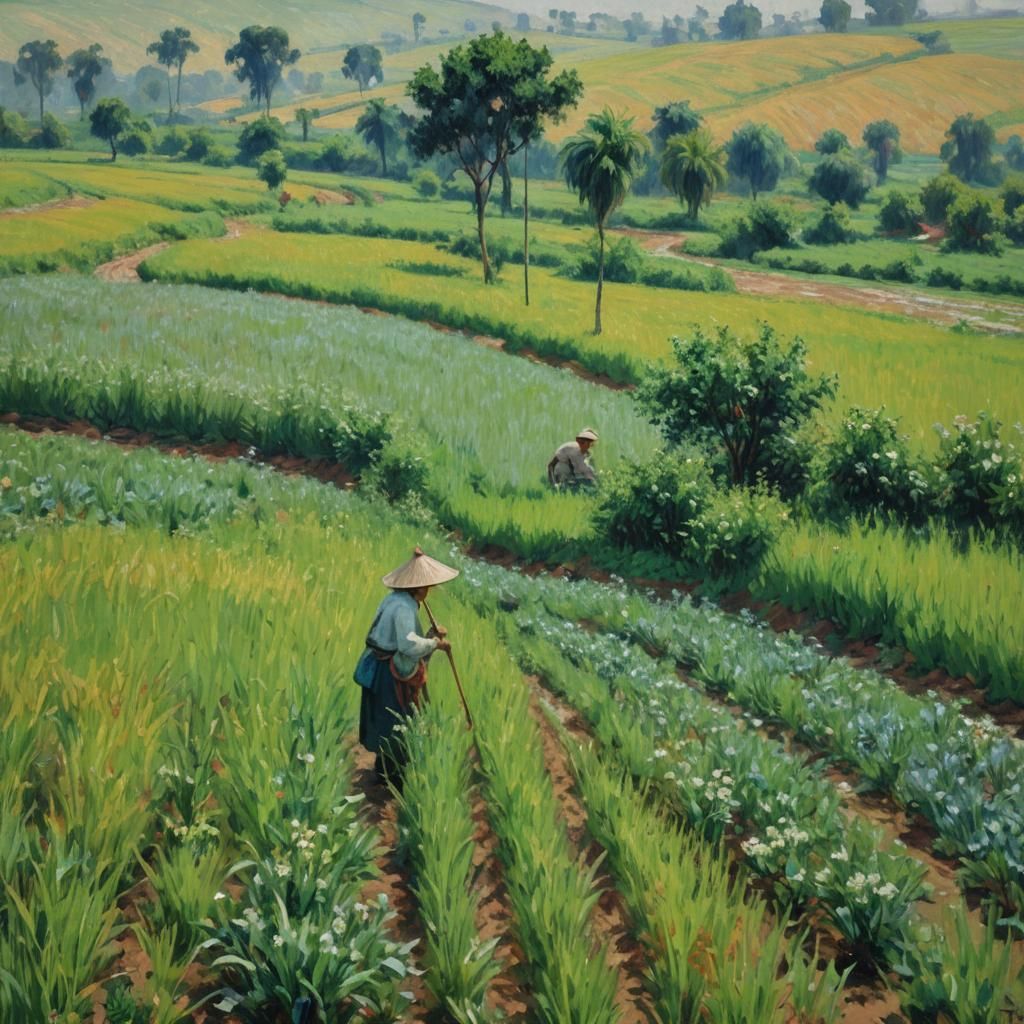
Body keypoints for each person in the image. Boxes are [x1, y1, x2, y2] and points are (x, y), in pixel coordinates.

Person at [357, 547, 459, 788]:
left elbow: (406, 638)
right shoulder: (404, 607)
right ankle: (393, 778)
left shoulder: (395, 599)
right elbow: (407, 644)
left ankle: (385, 772)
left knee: (386, 721)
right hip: (388, 673)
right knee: (395, 721)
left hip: (381, 665)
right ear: (418, 587)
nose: (429, 591)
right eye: (427, 587)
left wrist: (431, 636)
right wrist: (435, 643)